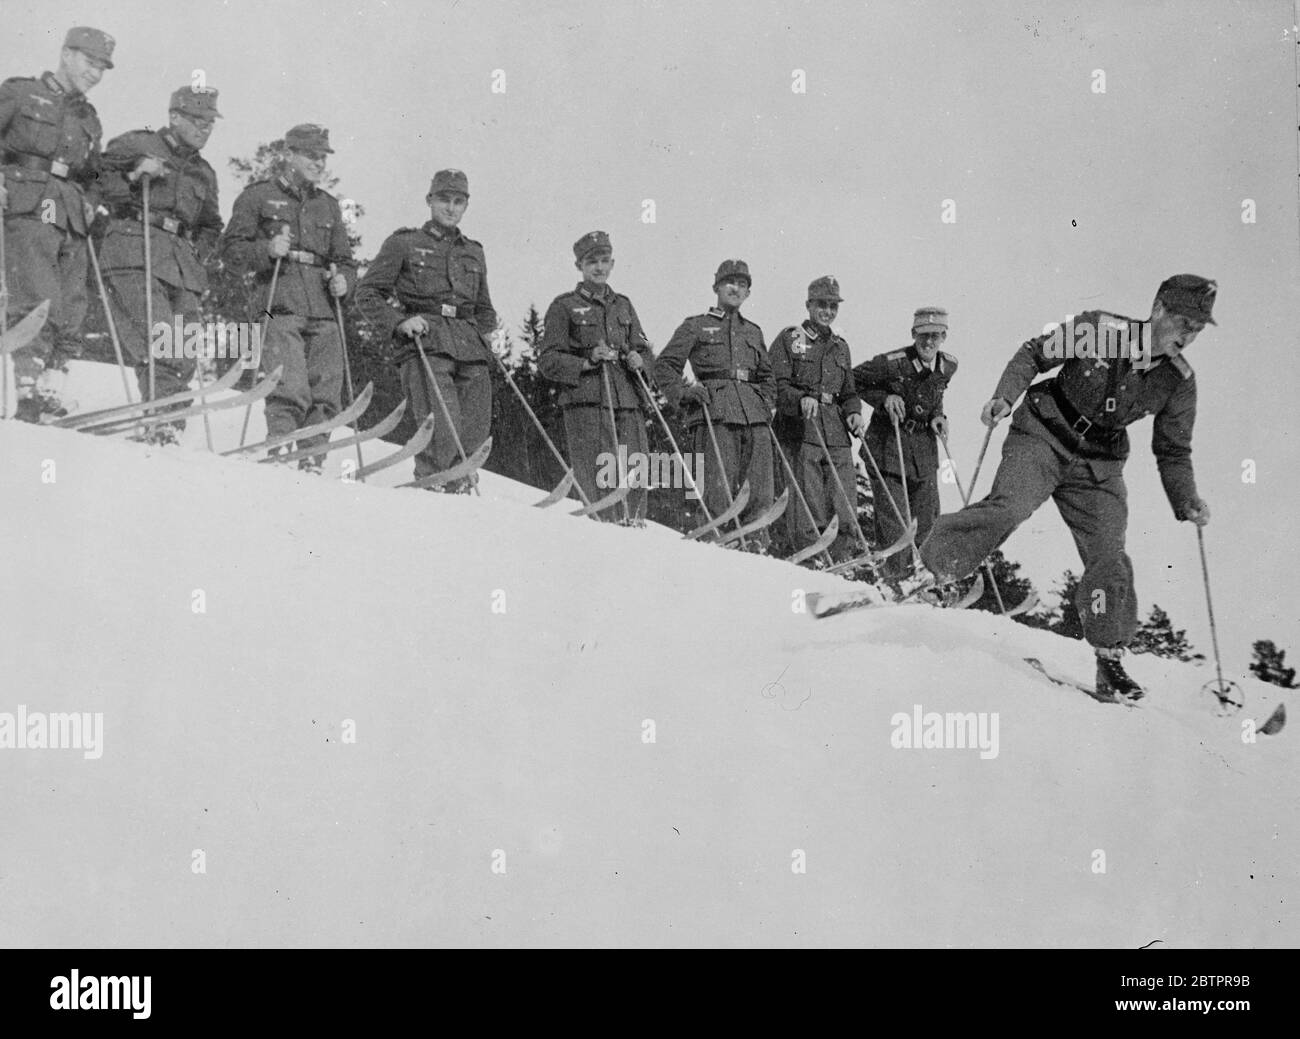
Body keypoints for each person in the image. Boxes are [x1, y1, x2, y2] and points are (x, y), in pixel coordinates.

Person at [919, 276, 1217, 700]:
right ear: (1158, 310)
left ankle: (1109, 660)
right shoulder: (1099, 329)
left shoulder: (1179, 380)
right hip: (1043, 433)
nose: (1189, 336)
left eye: (1198, 329)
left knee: (1108, 556)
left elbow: (1173, 449)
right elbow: (1034, 354)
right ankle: (934, 573)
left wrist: (1187, 499)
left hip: (1099, 466)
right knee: (1008, 509)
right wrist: (1004, 396)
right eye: (1184, 323)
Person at [220, 124, 355, 471]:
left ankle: (312, 456)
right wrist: (266, 249)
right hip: (278, 300)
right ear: (288, 154)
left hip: (323, 307)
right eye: (311, 155)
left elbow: (344, 259)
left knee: (326, 387)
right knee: (289, 383)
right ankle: (280, 447)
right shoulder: (258, 196)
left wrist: (344, 280)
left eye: (322, 156)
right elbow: (231, 250)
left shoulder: (328, 206)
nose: (318, 163)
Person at [354, 169, 496, 492]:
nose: (451, 208)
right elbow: (367, 293)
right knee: (440, 426)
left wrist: (484, 332)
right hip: (426, 343)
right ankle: (431, 483)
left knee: (475, 426)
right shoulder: (404, 243)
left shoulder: (474, 251)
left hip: (470, 347)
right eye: (444, 199)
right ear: (429, 200)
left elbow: (485, 308)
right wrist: (399, 322)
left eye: (458, 201)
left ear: (466, 206)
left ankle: (459, 483)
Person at [97, 85, 224, 443]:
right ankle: (162, 419)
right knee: (161, 338)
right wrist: (134, 176)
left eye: (210, 122)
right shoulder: (137, 144)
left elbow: (211, 224)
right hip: (133, 250)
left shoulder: (205, 172)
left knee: (184, 348)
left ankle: (167, 422)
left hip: (181, 264)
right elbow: (92, 176)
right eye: (197, 120)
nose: (205, 129)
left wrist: (199, 252)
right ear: (174, 117)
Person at [0, 27, 113, 421]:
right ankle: (26, 385)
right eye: (89, 62)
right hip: (27, 203)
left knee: (71, 304)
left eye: (102, 67)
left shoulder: (89, 118)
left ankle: (52, 384)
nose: (95, 73)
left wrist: (92, 203)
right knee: (37, 296)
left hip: (69, 212)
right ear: (66, 54)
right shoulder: (19, 92)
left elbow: (96, 175)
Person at [654, 259, 775, 545]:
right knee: (716, 485)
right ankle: (715, 540)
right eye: (730, 282)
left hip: (754, 415)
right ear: (717, 287)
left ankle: (756, 543)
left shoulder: (754, 332)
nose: (736, 288)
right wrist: (684, 394)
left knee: (759, 487)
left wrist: (767, 400)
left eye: (742, 284)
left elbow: (768, 375)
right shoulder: (696, 325)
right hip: (714, 412)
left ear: (748, 292)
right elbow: (664, 366)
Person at [537, 230, 654, 521]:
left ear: (612, 263)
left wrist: (641, 360)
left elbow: (645, 350)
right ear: (579, 266)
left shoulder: (624, 305)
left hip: (627, 400)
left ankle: (635, 525)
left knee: (634, 469)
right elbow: (548, 360)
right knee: (597, 474)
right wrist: (587, 360)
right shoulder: (564, 306)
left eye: (604, 261)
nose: (599, 267)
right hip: (587, 403)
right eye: (591, 262)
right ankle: (600, 529)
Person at [855, 307, 957, 583]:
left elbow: (934, 395)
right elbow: (852, 379)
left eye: (935, 336)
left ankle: (925, 580)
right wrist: (884, 397)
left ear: (944, 336)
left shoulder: (948, 365)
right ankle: (895, 580)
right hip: (888, 447)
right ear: (913, 334)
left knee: (929, 521)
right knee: (896, 522)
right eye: (923, 335)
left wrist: (938, 415)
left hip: (923, 452)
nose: (928, 342)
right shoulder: (892, 363)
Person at [768, 276, 864, 562]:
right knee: (808, 501)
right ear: (808, 305)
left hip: (836, 432)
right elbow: (775, 383)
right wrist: (799, 399)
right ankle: (812, 559)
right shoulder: (790, 338)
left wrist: (855, 411)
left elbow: (849, 391)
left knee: (844, 498)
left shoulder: (841, 346)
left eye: (833, 306)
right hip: (801, 429)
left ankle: (843, 560)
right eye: (822, 305)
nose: (828, 311)